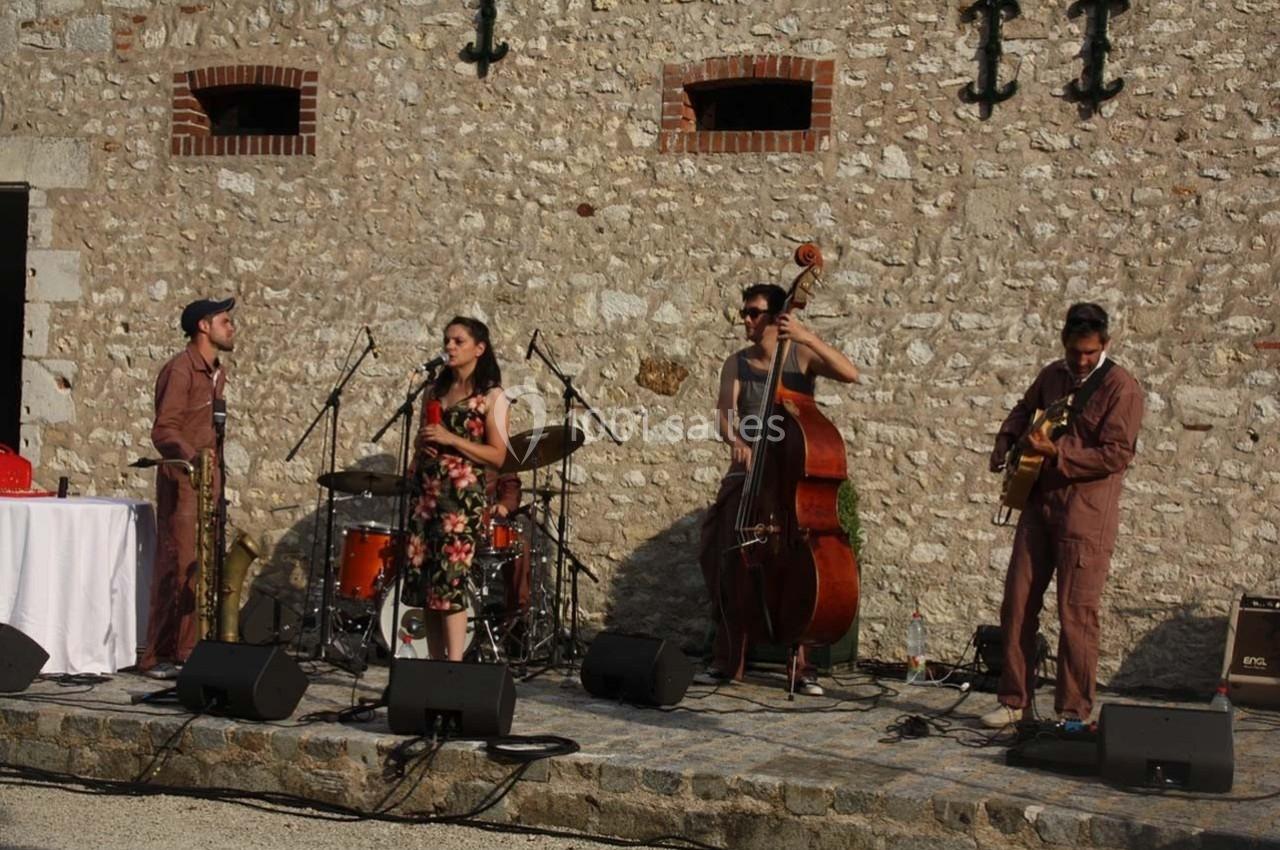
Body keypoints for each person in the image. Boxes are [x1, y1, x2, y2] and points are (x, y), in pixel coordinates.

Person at [981, 303, 1144, 727]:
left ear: (1105, 344)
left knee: (1076, 615)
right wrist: (1007, 438)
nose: (1081, 360)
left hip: (1085, 513)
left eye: (1090, 353)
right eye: (1075, 352)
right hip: (1039, 503)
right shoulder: (1053, 374)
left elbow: (1117, 454)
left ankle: (1072, 712)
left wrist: (1060, 452)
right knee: (1016, 605)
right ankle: (1013, 701)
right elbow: (1023, 408)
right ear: (1064, 343)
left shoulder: (1123, 388)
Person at [697, 283, 860, 695]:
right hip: (749, 473)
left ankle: (801, 665)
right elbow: (723, 413)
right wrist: (736, 442)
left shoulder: (801, 356)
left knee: (794, 563)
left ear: (775, 317)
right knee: (719, 546)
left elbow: (851, 373)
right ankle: (729, 655)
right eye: (745, 312)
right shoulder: (737, 363)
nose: (747, 320)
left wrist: (805, 336)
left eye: (754, 312)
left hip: (790, 476)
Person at [140, 297, 236, 679]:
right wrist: (194, 458)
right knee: (179, 568)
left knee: (204, 568)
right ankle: (165, 655)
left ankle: (193, 649)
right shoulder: (180, 371)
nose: (232, 328)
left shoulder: (215, 372)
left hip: (208, 482)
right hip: (184, 481)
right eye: (225, 321)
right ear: (203, 326)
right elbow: (163, 430)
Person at [406, 317, 510, 661]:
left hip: (462, 501)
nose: (449, 347)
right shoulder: (433, 391)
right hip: (428, 495)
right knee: (427, 589)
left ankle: (454, 667)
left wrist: (452, 439)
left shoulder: (493, 397)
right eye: (446, 340)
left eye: (458, 341)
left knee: (449, 585)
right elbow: (426, 439)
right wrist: (425, 447)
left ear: (479, 349)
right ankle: (434, 666)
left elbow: (498, 455)